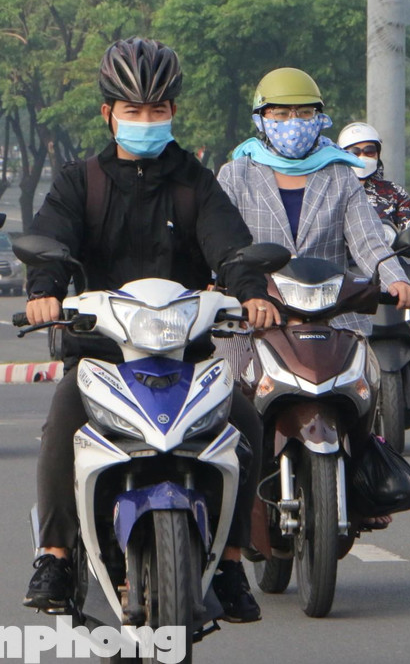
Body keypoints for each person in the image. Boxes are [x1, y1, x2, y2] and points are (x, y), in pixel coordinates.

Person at [21, 38, 279, 624]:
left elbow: (231, 247)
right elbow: (51, 243)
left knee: (243, 419)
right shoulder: (77, 181)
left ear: (173, 114)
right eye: (133, 111)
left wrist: (254, 292)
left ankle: (233, 559)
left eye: (157, 110)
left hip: (185, 358)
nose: (145, 121)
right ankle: (56, 556)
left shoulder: (196, 183)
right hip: (103, 355)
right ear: (108, 113)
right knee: (64, 417)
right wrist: (43, 291)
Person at [218, 70, 410, 342]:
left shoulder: (340, 175)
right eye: (281, 114)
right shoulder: (236, 175)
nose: (294, 122)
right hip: (258, 315)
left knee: (366, 378)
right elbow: (223, 243)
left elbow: (368, 240)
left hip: (332, 319)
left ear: (319, 119)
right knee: (230, 377)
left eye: (304, 113)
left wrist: (395, 278)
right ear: (261, 120)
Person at [337, 120, 410, 230]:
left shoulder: (395, 192)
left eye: (369, 151)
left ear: (377, 155)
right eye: (354, 152)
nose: (362, 156)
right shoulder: (332, 192)